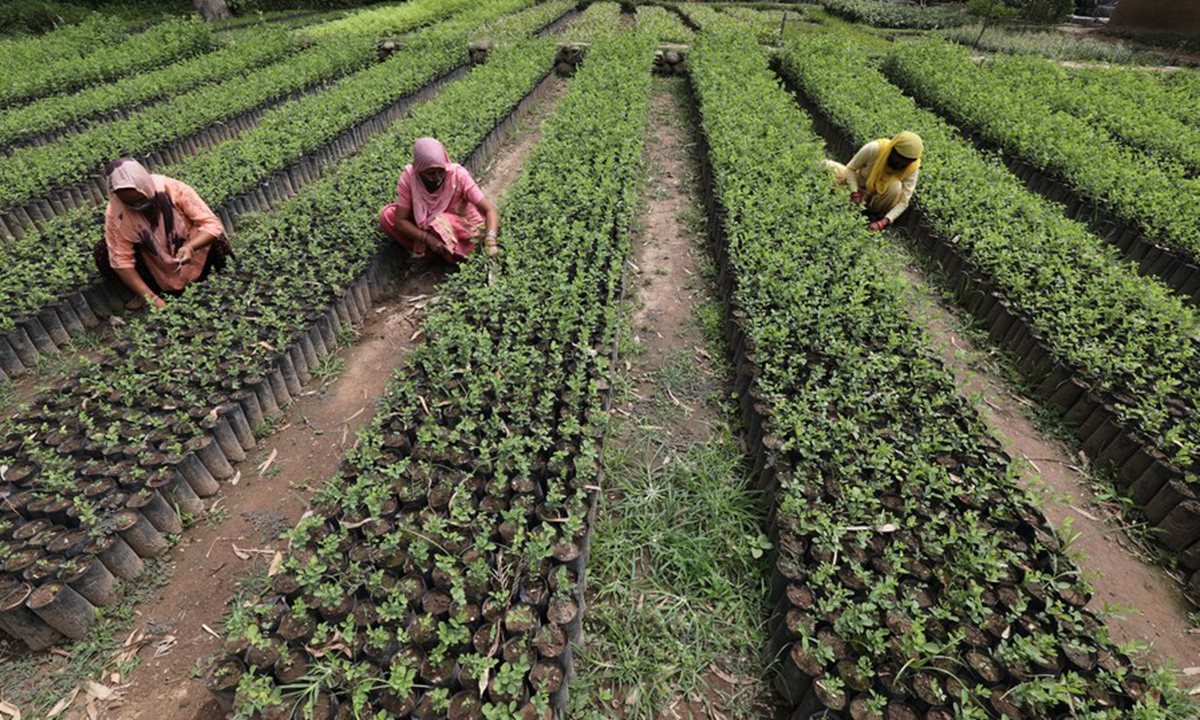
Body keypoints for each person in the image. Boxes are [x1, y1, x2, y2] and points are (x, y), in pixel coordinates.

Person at [94, 158, 232, 310]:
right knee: (104, 251)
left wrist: (190, 247)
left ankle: (219, 275)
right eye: (130, 203)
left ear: (146, 186)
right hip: (155, 262)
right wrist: (152, 299)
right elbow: (121, 260)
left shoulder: (171, 189)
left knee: (215, 236)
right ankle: (150, 291)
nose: (137, 206)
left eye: (141, 199)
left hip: (192, 250)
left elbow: (211, 224)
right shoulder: (116, 212)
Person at [379, 137, 499, 263]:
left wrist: (490, 239)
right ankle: (433, 252)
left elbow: (490, 211)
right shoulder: (410, 178)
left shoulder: (459, 176)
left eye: (441, 171)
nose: (437, 177)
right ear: (418, 170)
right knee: (387, 216)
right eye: (430, 173)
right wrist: (428, 238)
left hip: (462, 230)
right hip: (430, 230)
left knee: (439, 222)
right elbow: (400, 220)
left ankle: (454, 254)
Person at [824, 131, 923, 232]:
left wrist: (883, 223)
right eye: (898, 161)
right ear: (892, 150)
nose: (899, 166)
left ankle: (871, 214)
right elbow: (850, 169)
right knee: (827, 166)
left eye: (904, 165)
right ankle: (845, 199)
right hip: (858, 184)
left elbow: (904, 201)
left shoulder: (912, 168)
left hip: (877, 199)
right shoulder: (874, 148)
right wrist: (854, 193)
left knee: (896, 187)